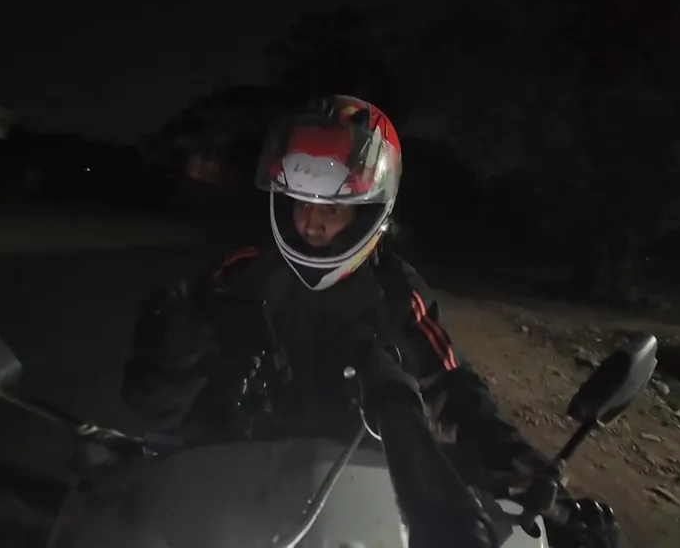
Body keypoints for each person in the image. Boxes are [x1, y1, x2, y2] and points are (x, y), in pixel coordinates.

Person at [122, 95, 619, 548]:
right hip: (232, 483)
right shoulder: (238, 276)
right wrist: (172, 352)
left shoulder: (398, 292)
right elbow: (152, 406)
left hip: (365, 493)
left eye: (334, 206)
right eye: (301, 200)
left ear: (368, 211)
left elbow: (454, 388)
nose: (311, 221)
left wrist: (518, 463)